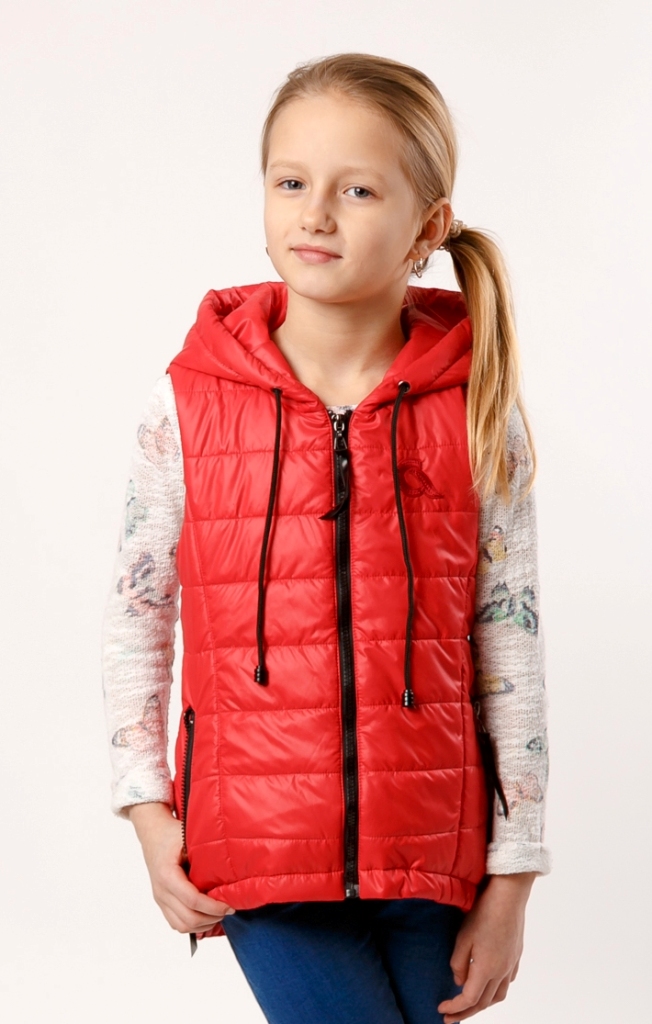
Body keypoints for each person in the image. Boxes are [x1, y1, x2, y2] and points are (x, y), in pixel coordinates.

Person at [101, 52, 551, 1024]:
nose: (315, 214)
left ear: (427, 227)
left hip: (434, 855)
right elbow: (138, 616)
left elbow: (507, 639)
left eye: (357, 190)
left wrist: (513, 875)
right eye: (291, 182)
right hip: (258, 848)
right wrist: (148, 813)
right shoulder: (188, 405)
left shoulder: (477, 410)